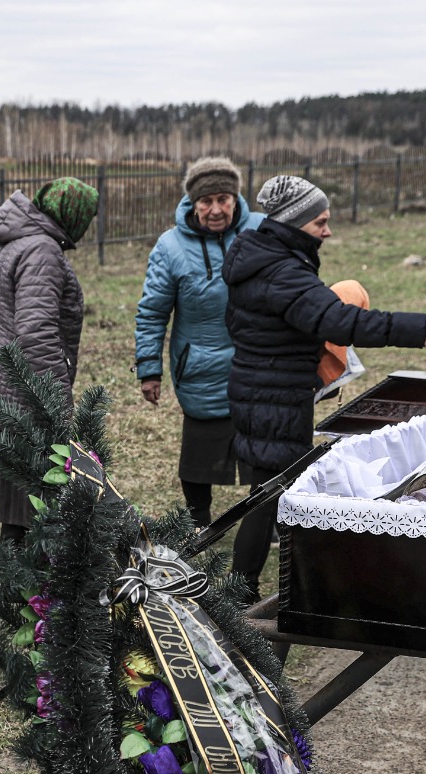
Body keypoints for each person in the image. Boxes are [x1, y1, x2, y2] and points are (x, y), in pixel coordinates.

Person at [222, 175, 426, 597]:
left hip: (263, 388)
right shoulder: (282, 271)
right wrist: (419, 329)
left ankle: (247, 588)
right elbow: (342, 321)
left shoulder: (263, 256)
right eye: (320, 223)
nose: (328, 231)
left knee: (269, 490)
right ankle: (254, 592)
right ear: (295, 223)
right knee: (272, 493)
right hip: (274, 395)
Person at [0, 177, 99, 543]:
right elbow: (36, 332)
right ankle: (24, 566)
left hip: (0, 378)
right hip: (19, 387)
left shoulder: (20, 237)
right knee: (34, 481)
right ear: (75, 217)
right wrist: (53, 400)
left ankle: (13, 556)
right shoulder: (42, 249)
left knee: (16, 478)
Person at [134, 157, 265, 527]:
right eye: (206, 201)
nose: (216, 209)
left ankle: (265, 519)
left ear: (237, 198)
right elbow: (152, 312)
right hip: (200, 365)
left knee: (264, 441)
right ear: (192, 203)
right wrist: (149, 370)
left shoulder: (261, 230)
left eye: (224, 198)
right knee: (199, 448)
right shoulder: (170, 247)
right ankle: (198, 520)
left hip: (256, 360)